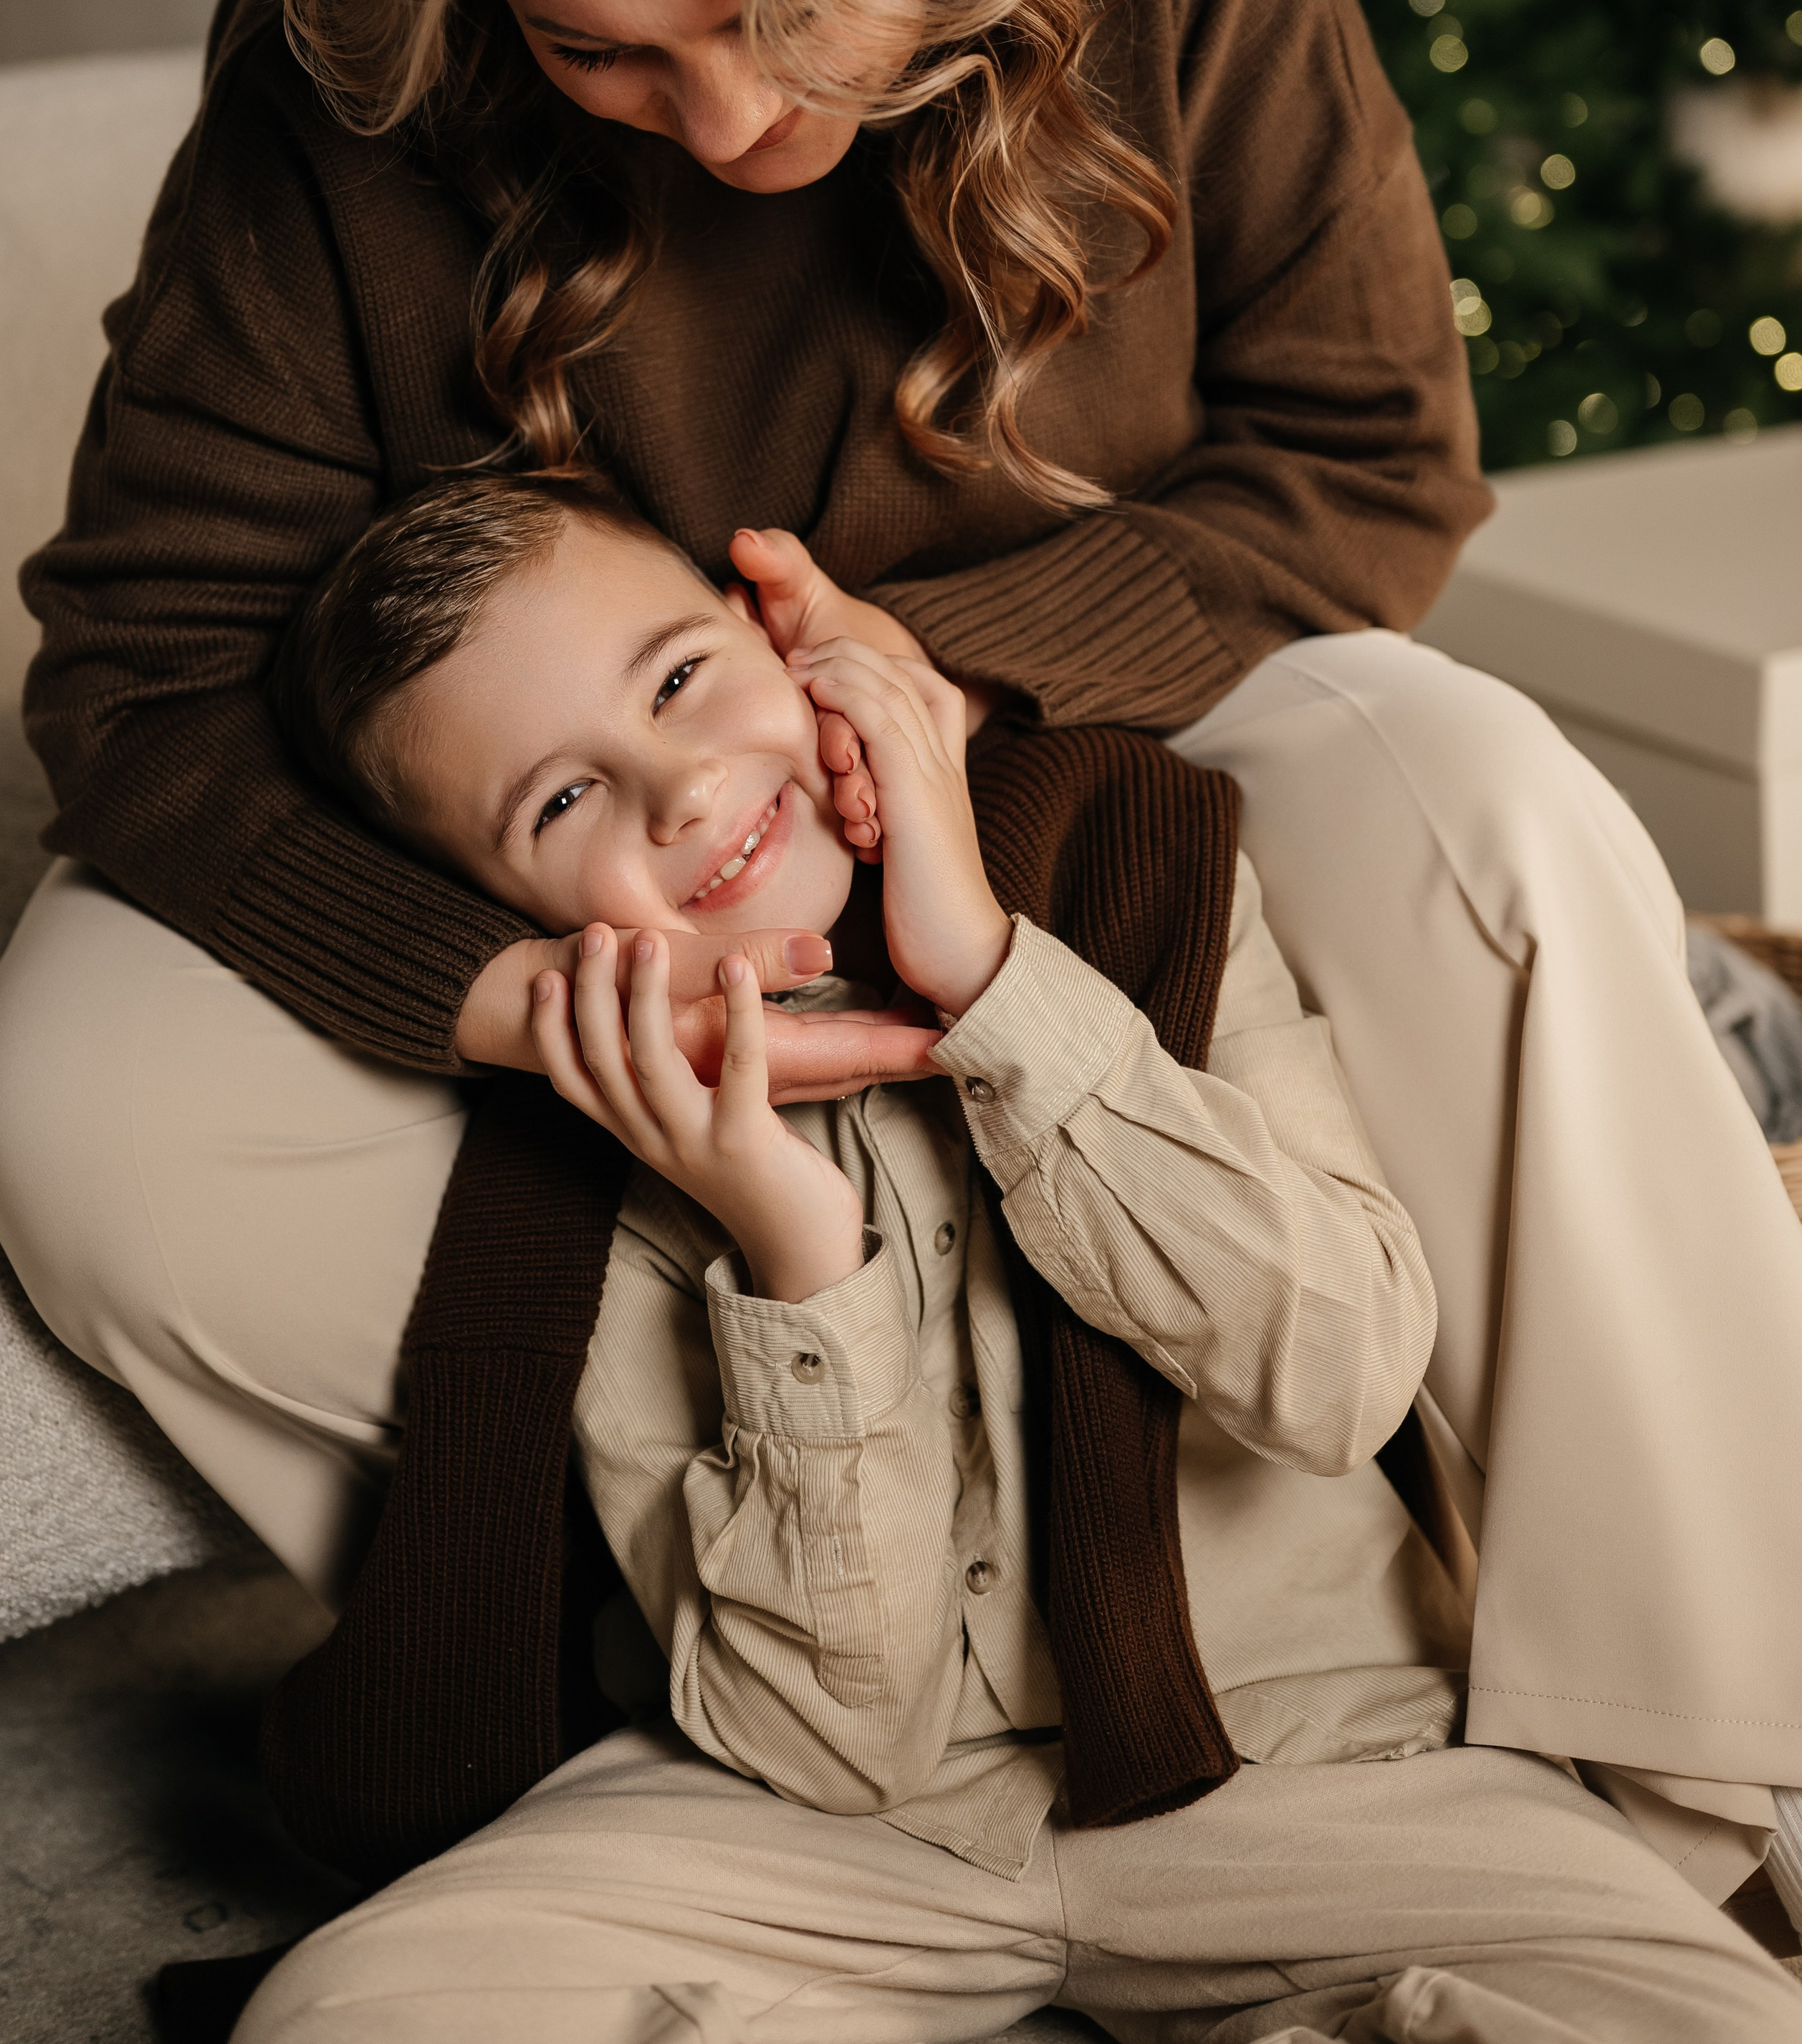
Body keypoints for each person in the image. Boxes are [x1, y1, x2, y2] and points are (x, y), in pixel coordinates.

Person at [0, 0, 1801, 1969]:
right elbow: (152, 663)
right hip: (637, 879)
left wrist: (906, 702)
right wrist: (513, 988)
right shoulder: (352, 36)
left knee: (1477, 775)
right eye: (606, 53)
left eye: (792, 12)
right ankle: (720, 1666)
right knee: (76, 1074)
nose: (729, 127)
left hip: (1125, 780)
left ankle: (1692, 1745)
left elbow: (1368, 458)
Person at [231, 472, 1793, 2041]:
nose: (681, 790)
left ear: (785, 642)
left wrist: (992, 981)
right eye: (558, 803)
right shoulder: (588, 1155)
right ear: (506, 922)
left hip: (1324, 1762)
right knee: (348, 2009)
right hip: (833, 1838)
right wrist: (794, 1249)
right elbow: (831, 1740)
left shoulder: (1150, 871)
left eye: (681, 679)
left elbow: (1335, 1370)